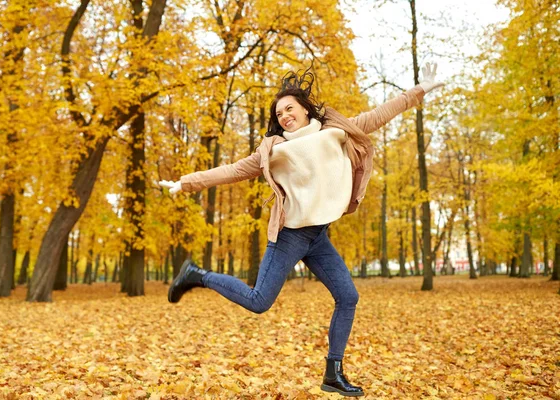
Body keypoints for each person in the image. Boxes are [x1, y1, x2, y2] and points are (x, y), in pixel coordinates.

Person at [159, 63, 443, 397]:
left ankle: (333, 374)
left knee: (348, 297)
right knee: (259, 301)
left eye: (289, 108)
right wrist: (185, 183)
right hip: (291, 236)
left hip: (318, 236)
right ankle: (196, 275)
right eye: (279, 113)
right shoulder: (275, 151)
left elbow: (382, 113)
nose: (284, 116)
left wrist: (421, 89)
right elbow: (232, 170)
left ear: (305, 109)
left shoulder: (337, 131)